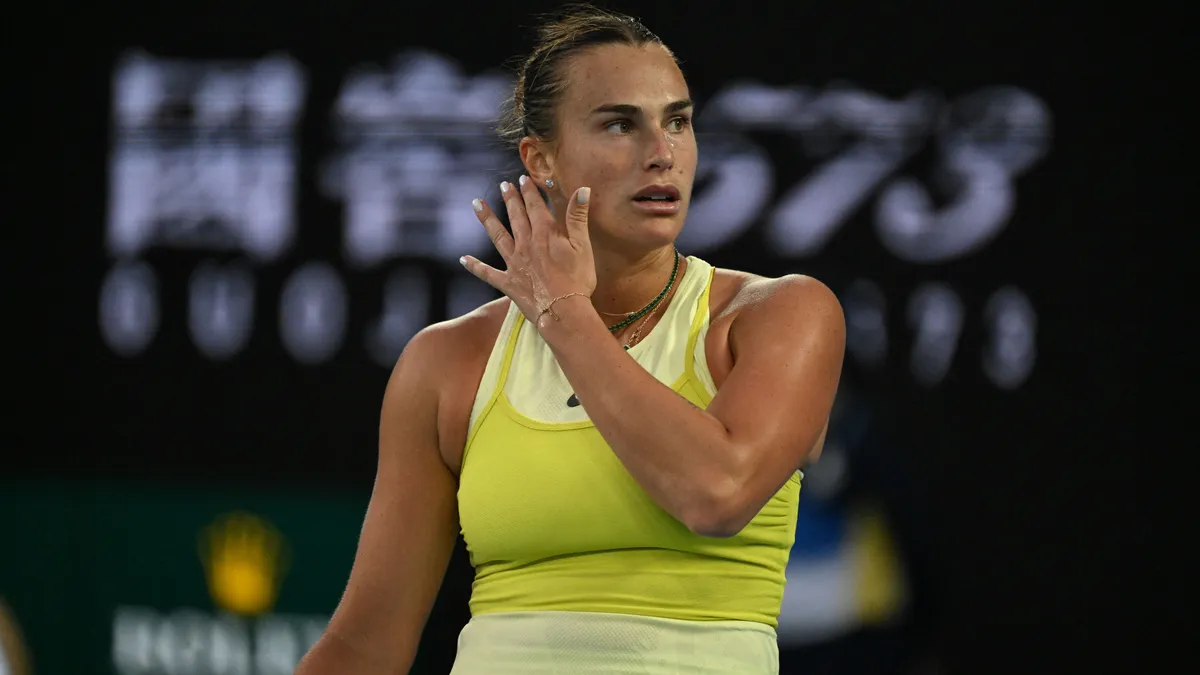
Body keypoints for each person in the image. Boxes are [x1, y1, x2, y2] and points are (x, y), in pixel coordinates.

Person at [296, 5, 845, 674]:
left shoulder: (780, 314)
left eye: (678, 121)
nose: (662, 152)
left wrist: (564, 314)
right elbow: (365, 645)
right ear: (541, 159)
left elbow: (717, 494)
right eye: (620, 124)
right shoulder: (447, 362)